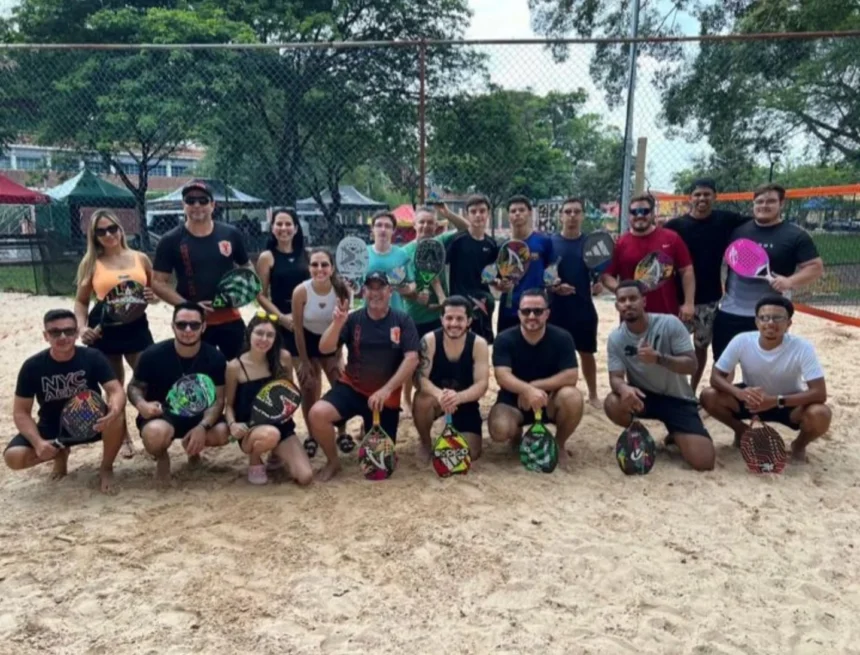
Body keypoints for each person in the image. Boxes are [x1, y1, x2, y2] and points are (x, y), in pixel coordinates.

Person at [308, 271, 420, 481]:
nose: (375, 293)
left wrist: (386, 390)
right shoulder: (353, 319)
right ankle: (333, 462)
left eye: (381, 287)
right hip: (353, 387)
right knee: (317, 414)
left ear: (389, 291)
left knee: (379, 465)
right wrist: (337, 323)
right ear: (364, 292)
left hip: (385, 396)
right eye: (370, 288)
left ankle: (366, 428)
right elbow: (324, 348)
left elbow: (412, 359)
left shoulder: (402, 319)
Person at [5, 309, 126, 493]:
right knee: (13, 457)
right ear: (46, 336)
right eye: (55, 332)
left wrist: (114, 409)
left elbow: (115, 390)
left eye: (69, 331)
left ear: (76, 333)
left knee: (117, 416)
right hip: (52, 426)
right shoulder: (32, 366)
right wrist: (38, 442)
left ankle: (106, 467)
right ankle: (59, 453)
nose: (63, 336)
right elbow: (21, 412)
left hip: (92, 421)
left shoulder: (92, 357)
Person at [700, 296, 831, 463]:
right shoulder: (742, 340)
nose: (770, 323)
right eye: (764, 318)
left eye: (778, 318)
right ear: (756, 322)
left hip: (788, 401)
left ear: (788, 323)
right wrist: (739, 393)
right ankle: (742, 431)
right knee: (708, 396)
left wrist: (776, 401)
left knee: (821, 414)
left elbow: (820, 393)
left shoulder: (802, 347)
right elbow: (715, 377)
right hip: (751, 398)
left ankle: (799, 444)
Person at [603, 281, 715, 471]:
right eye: (622, 300)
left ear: (644, 301)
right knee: (613, 403)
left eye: (633, 298)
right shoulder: (616, 338)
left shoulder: (669, 323)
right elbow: (615, 377)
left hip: (678, 398)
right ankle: (640, 433)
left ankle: (677, 433)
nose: (628, 304)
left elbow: (691, 365)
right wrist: (624, 388)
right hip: (644, 397)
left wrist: (659, 358)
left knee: (704, 462)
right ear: (617, 306)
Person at [74, 209, 157, 458]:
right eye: (101, 231)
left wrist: (153, 297)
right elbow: (81, 302)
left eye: (112, 228)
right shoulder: (91, 263)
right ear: (94, 236)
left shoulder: (140, 258)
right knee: (114, 386)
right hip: (104, 327)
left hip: (136, 325)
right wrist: (81, 328)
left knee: (147, 379)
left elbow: (151, 291)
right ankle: (122, 437)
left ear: (121, 229)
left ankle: (150, 431)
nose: (108, 234)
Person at [712, 183, 824, 360]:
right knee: (724, 366)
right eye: (759, 201)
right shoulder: (738, 231)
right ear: (753, 204)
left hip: (771, 316)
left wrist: (790, 282)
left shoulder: (795, 235)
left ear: (781, 204)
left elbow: (815, 267)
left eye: (771, 201)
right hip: (731, 311)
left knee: (765, 367)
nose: (764, 205)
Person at [127, 302, 230, 485]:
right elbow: (134, 387)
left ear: (203, 327)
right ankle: (162, 457)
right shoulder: (153, 354)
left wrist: (202, 427)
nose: (188, 330)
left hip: (199, 415)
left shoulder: (215, 357)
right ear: (173, 326)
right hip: (162, 415)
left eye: (194, 325)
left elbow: (218, 400)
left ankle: (192, 449)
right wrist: (142, 404)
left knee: (222, 433)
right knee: (154, 435)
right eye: (181, 324)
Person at [664, 179, 752, 391]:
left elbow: (757, 223)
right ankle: (676, 389)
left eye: (706, 194)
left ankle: (691, 390)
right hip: (679, 299)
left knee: (700, 347)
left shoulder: (726, 220)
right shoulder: (676, 226)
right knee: (674, 348)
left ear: (715, 197)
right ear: (690, 198)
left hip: (710, 299)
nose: (702, 198)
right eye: (697, 194)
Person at [151, 179, 251, 361]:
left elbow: (247, 267)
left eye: (203, 200)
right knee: (197, 373)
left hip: (230, 317)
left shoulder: (230, 234)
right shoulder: (170, 240)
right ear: (183, 205)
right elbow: (158, 282)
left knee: (242, 368)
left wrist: (243, 293)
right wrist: (189, 306)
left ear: (213, 205)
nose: (197, 205)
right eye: (190, 200)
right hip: (192, 323)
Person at [488, 289, 584, 470]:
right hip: (514, 400)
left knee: (573, 397)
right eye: (526, 311)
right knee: (499, 430)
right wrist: (526, 391)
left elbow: (571, 376)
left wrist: (534, 387)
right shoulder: (504, 339)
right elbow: (502, 375)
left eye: (538, 311)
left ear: (547, 313)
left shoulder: (563, 338)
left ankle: (559, 444)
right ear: (519, 313)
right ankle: (516, 435)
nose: (531, 316)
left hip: (550, 401)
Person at [224, 311, 313, 485]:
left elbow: (289, 395)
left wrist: (285, 415)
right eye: (259, 333)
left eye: (270, 335)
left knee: (305, 476)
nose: (264, 339)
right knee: (270, 434)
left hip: (281, 426)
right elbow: (228, 406)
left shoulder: (284, 358)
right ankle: (255, 458)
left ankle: (276, 453)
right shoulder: (235, 367)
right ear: (249, 333)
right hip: (251, 431)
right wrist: (232, 424)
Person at [399, 205, 468, 413]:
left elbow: (464, 228)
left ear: (436, 225)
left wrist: (447, 213)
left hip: (439, 314)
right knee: (413, 359)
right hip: (414, 315)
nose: (426, 226)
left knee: (435, 358)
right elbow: (400, 285)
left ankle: (436, 398)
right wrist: (413, 294)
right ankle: (407, 399)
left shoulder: (439, 242)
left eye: (430, 222)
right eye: (422, 222)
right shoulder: (404, 252)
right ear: (414, 224)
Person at [412, 296, 490, 464]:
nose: (454, 323)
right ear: (441, 319)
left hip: (465, 401)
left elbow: (482, 384)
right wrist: (439, 394)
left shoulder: (479, 344)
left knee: (469, 453)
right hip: (437, 399)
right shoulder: (430, 340)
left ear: (469, 320)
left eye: (460, 318)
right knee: (421, 399)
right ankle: (425, 442)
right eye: (449, 318)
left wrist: (459, 397)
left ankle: (456, 427)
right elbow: (419, 377)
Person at [291, 248, 353, 457]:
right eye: (315, 264)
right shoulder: (301, 291)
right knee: (309, 387)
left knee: (339, 383)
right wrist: (304, 361)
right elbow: (297, 329)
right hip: (306, 342)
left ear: (332, 267)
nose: (320, 269)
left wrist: (338, 355)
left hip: (331, 342)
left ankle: (342, 432)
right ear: (309, 268)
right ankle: (311, 435)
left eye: (324, 264)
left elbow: (343, 326)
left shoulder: (341, 289)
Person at [601, 193, 695, 321]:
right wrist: (625, 292)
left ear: (652, 214)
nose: (640, 215)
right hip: (632, 318)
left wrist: (689, 303)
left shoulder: (672, 238)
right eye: (634, 212)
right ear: (629, 215)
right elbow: (606, 276)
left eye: (645, 211)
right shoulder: (620, 243)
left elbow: (686, 270)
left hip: (667, 315)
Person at [549, 197, 603, 408]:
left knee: (587, 353)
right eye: (568, 211)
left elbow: (598, 274)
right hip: (555, 308)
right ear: (560, 215)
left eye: (576, 212)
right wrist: (554, 286)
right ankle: (554, 392)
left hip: (583, 308)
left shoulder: (591, 244)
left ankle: (593, 394)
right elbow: (545, 275)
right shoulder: (550, 243)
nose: (572, 216)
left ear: (582, 215)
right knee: (554, 354)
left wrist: (599, 285)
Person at [255, 207, 310, 359]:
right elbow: (261, 295)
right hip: (281, 320)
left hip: (307, 319)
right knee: (284, 376)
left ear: (296, 228)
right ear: (272, 228)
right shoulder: (267, 257)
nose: (283, 228)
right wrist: (281, 318)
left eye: (288, 224)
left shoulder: (307, 255)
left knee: (309, 378)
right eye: (279, 224)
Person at [495, 195, 554, 334]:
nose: (517, 213)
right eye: (513, 211)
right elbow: (496, 277)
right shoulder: (502, 246)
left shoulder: (543, 241)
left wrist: (553, 283)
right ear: (508, 215)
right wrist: (498, 283)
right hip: (509, 308)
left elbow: (551, 271)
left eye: (521, 210)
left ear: (530, 213)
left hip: (535, 309)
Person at [445, 194, 500, 343]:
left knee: (484, 343)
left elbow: (493, 275)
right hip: (460, 303)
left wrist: (499, 282)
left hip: (483, 303)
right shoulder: (456, 241)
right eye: (473, 211)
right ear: (467, 215)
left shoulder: (491, 244)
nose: (478, 215)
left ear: (488, 213)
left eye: (482, 211)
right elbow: (440, 268)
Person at [366, 211, 414, 312]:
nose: (383, 229)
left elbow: (412, 284)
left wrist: (402, 288)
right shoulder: (363, 254)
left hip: (395, 313)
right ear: (372, 229)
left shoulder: (402, 255)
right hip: (368, 313)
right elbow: (356, 285)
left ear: (394, 230)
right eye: (379, 225)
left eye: (387, 226)